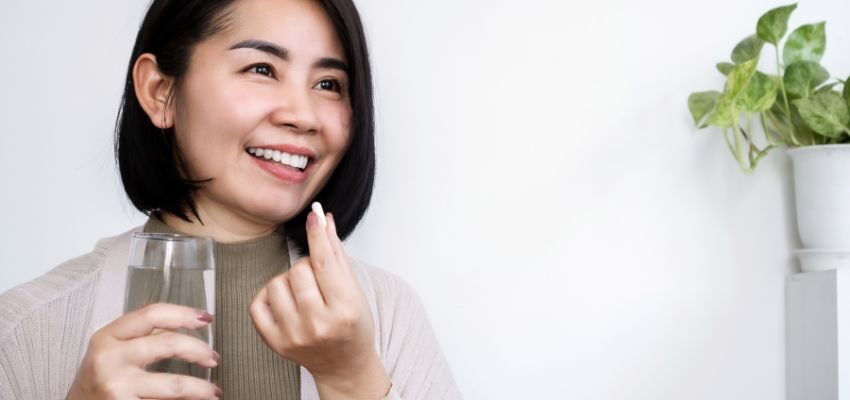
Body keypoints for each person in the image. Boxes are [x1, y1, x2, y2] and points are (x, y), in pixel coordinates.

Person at [0, 0, 462, 399]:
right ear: (160, 91)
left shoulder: (388, 313)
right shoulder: (28, 326)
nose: (303, 116)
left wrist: (354, 379)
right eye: (261, 69)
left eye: (328, 84)